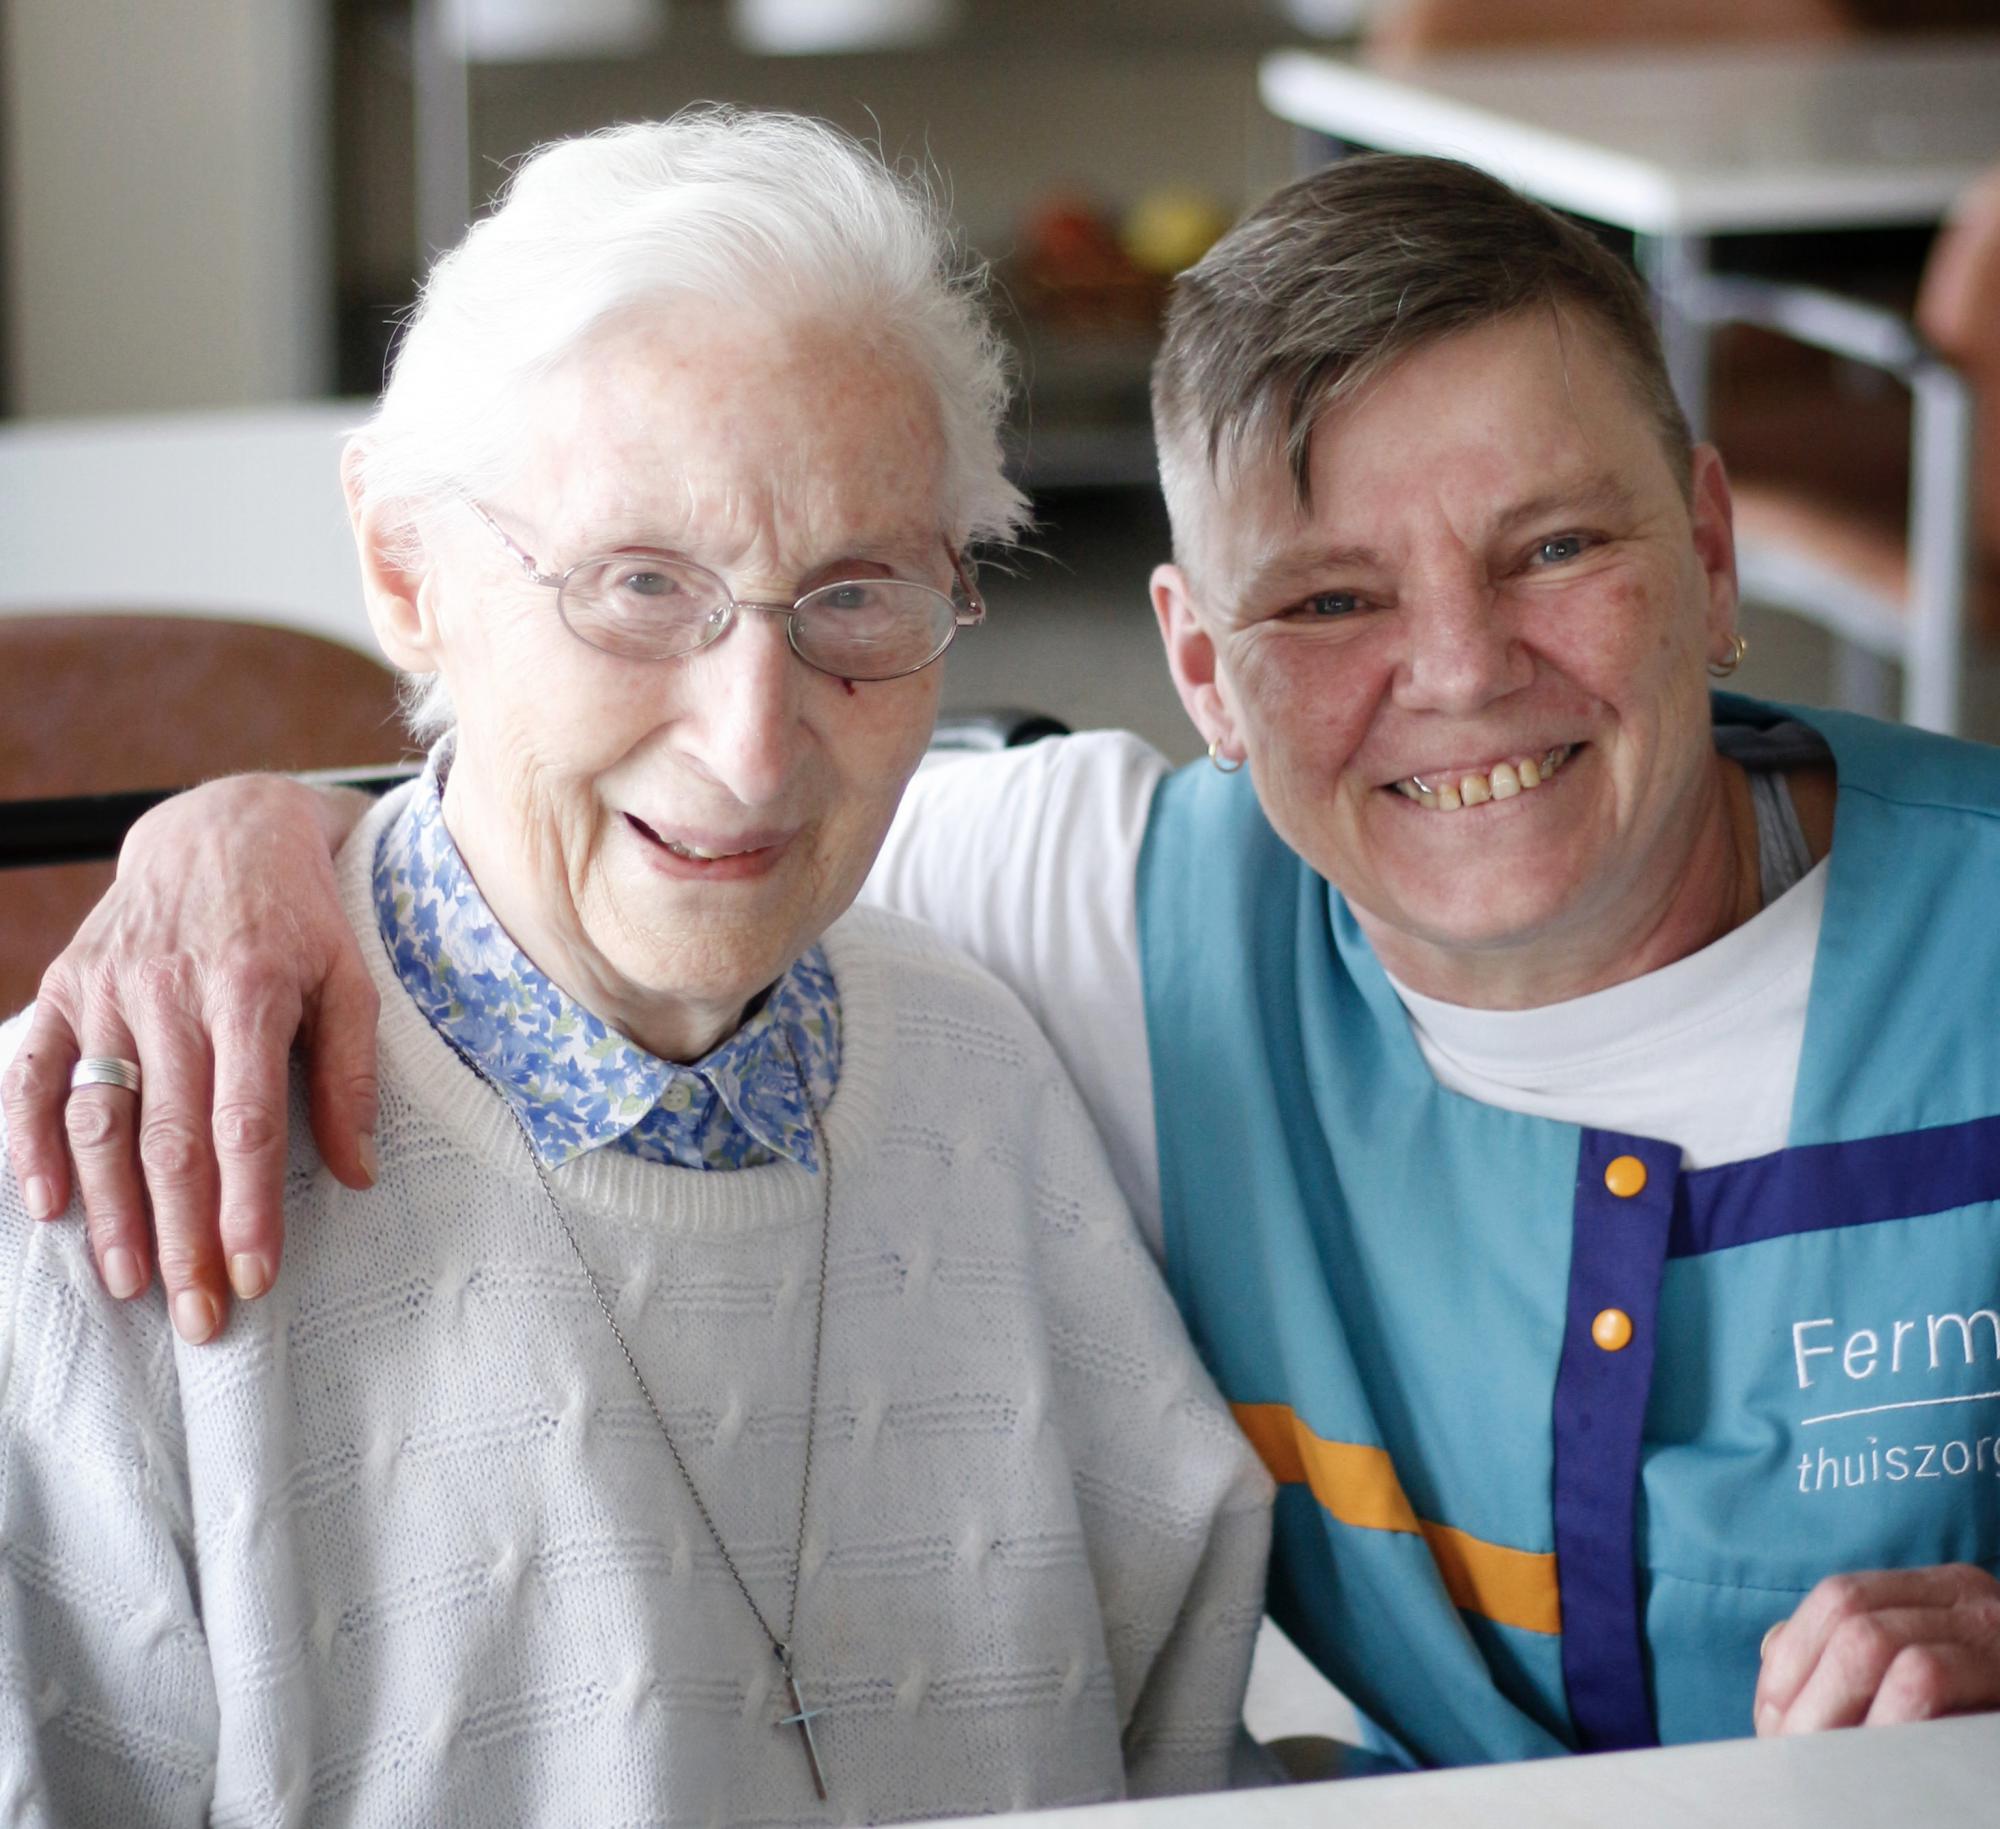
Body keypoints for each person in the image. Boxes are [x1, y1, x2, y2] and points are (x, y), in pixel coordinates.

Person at [10, 150, 2000, 1770]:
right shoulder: (1088, 916)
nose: (755, 737)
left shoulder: (978, 1010)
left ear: (1715, 556)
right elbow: (572, 859)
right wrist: (239, 827)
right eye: (1325, 596)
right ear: (1199, 668)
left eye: (1558, 546)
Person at [0, 111, 1274, 1824]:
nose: (753, 751)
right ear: (405, 568)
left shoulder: (990, 1069)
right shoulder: (100, 1197)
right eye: (638, 587)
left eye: (855, 596)